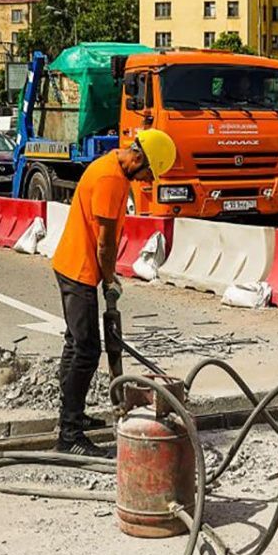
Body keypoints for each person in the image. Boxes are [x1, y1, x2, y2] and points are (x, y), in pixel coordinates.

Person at [50, 130, 177, 456]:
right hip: (80, 269)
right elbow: (105, 243)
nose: (147, 179)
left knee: (74, 344)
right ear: (139, 159)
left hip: (74, 265)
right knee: (87, 351)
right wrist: (110, 281)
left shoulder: (113, 167)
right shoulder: (110, 179)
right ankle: (69, 435)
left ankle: (70, 416)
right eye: (148, 172)